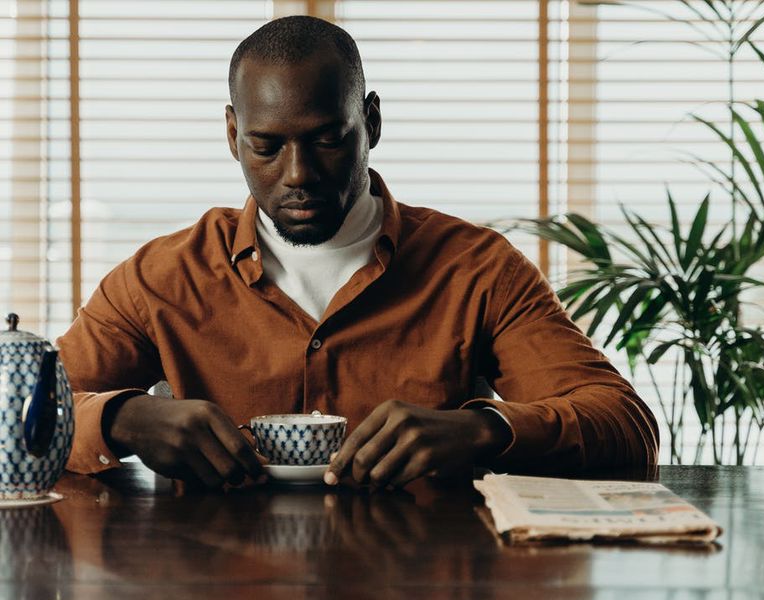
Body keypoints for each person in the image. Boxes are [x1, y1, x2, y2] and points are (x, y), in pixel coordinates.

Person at [58, 16, 658, 490]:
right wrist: (123, 419)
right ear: (232, 134)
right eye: (266, 146)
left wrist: (480, 429)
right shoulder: (161, 277)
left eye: (326, 139)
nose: (298, 174)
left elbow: (626, 429)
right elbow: (19, 410)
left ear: (369, 121)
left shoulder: (476, 269)